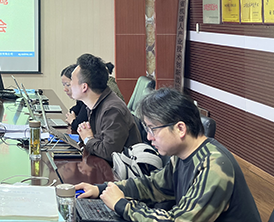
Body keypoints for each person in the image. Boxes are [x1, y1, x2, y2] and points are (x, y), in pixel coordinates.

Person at [76, 87, 262, 222]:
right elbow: (152, 186)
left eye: (153, 129)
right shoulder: (181, 156)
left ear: (180, 128)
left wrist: (121, 205)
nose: (149, 137)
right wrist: (102, 189)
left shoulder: (213, 165)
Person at [70, 53, 141, 162]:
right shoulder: (95, 104)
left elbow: (109, 153)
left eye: (72, 80)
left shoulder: (112, 110)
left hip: (121, 169)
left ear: (84, 87)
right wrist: (85, 134)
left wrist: (88, 139)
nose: (70, 85)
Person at [61, 64, 86, 133]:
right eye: (64, 85)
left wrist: (72, 120)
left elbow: (78, 125)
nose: (65, 89)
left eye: (68, 85)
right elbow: (75, 109)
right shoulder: (81, 100)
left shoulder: (89, 101)